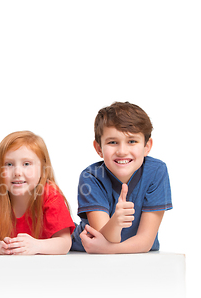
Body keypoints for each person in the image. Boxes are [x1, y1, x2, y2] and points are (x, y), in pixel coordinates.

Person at [70, 101, 172, 253]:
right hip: (83, 252)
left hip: (133, 254)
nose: (122, 151)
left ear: (147, 147)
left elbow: (145, 241)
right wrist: (116, 222)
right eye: (113, 142)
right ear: (99, 149)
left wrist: (108, 249)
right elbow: (101, 239)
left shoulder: (156, 171)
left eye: (132, 141)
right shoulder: (91, 177)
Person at [0, 131, 75, 255]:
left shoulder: (51, 194)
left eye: (26, 164)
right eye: (9, 164)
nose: (17, 172)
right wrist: (3, 247)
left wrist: (36, 246)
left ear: (43, 167)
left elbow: (64, 243)